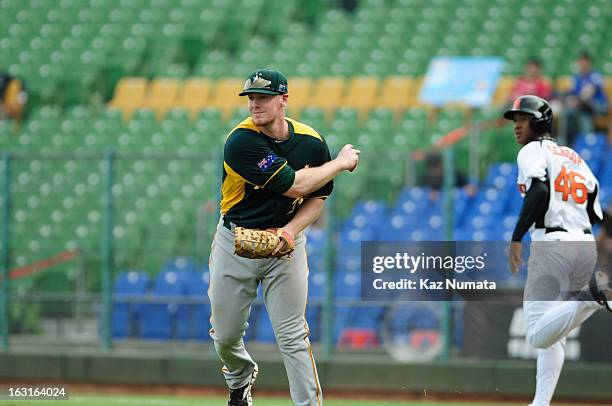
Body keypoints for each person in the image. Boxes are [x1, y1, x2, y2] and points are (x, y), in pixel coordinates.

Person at [208, 68, 360, 406]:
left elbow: (317, 198)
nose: (255, 104)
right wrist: (341, 163)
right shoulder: (241, 141)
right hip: (235, 243)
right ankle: (240, 377)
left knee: (293, 335)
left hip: (286, 246)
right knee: (226, 336)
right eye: (251, 97)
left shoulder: (310, 142)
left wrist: (290, 233)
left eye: (263, 97)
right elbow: (297, 185)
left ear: (284, 100)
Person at [503, 95, 611, 406]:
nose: (517, 126)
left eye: (523, 119)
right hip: (583, 246)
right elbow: (594, 208)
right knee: (554, 335)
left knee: (537, 333)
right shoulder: (575, 157)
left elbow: (538, 189)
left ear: (540, 122)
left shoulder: (531, 151)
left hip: (553, 245)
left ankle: (592, 298)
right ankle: (541, 402)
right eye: (515, 120)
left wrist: (516, 236)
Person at [564, 52, 608, 144]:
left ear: (589, 63)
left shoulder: (595, 75)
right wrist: (571, 99)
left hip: (598, 105)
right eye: (580, 62)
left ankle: (587, 140)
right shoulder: (577, 77)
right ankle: (569, 141)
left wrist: (577, 100)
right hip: (582, 107)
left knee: (584, 108)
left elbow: (589, 91)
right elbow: (571, 93)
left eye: (584, 62)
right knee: (569, 112)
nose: (582, 65)